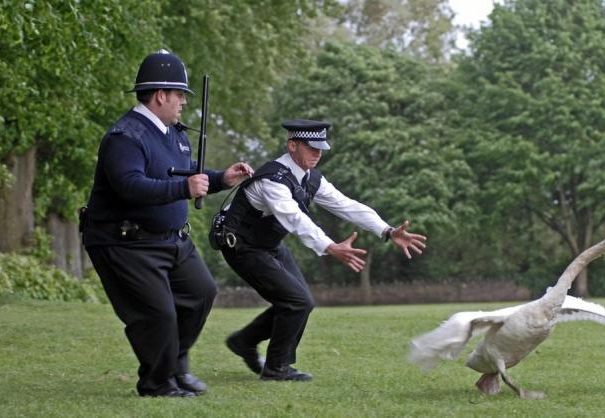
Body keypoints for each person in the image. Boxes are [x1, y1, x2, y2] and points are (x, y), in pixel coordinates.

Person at [81, 49, 253, 397]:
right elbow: (130, 185)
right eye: (180, 95)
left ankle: (175, 365)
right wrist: (183, 188)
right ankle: (157, 383)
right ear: (160, 95)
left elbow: (187, 177)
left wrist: (223, 179)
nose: (184, 103)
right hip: (124, 242)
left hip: (171, 239)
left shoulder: (174, 134)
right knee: (158, 315)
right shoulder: (124, 136)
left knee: (200, 293)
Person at [220, 119, 427, 381]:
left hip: (268, 245)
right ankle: (276, 368)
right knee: (297, 301)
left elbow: (346, 205)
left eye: (321, 149)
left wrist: (386, 230)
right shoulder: (273, 180)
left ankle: (244, 342)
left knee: (300, 302)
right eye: (311, 148)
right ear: (292, 145)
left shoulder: (309, 178)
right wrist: (329, 246)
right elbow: (295, 219)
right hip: (241, 246)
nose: (318, 154)